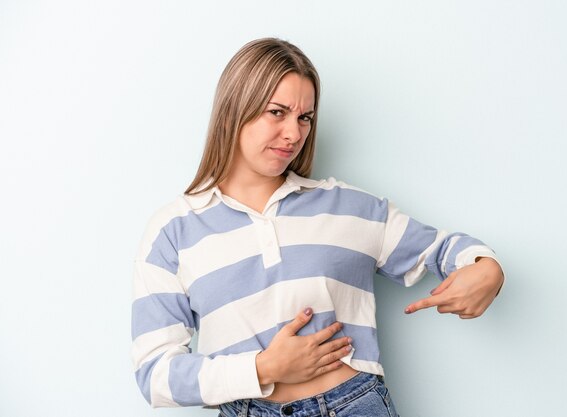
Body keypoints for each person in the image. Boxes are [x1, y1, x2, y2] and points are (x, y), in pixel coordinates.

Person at [130, 37, 505, 417]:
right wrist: (263, 368)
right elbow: (155, 374)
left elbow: (444, 250)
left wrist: (486, 268)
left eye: (304, 118)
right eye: (277, 112)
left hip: (356, 404)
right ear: (233, 110)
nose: (294, 134)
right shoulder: (173, 231)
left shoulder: (347, 206)